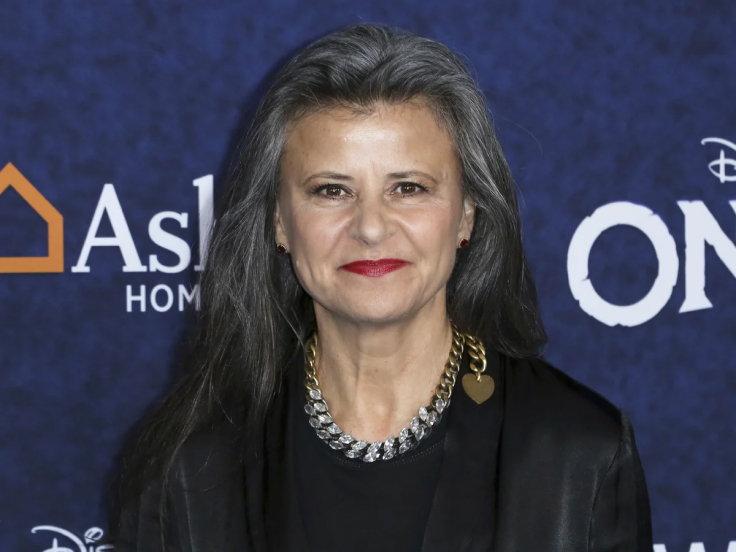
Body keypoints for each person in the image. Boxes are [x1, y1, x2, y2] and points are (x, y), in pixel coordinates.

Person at [113, 22, 653, 552]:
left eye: (409, 188)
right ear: (279, 221)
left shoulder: (581, 453)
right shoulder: (189, 462)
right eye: (331, 190)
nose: (371, 227)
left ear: (467, 213)